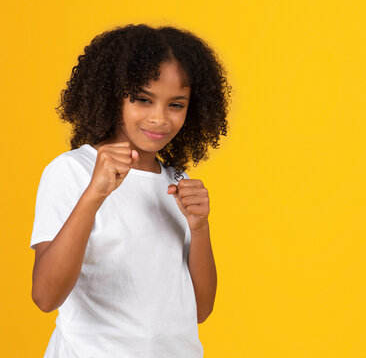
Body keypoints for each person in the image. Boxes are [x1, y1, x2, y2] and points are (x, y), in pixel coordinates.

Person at [29, 23, 232, 357]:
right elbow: (45, 297)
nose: (159, 118)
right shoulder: (73, 171)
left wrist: (199, 227)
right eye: (143, 99)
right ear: (112, 96)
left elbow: (200, 310)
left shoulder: (176, 183)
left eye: (176, 104)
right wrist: (94, 195)